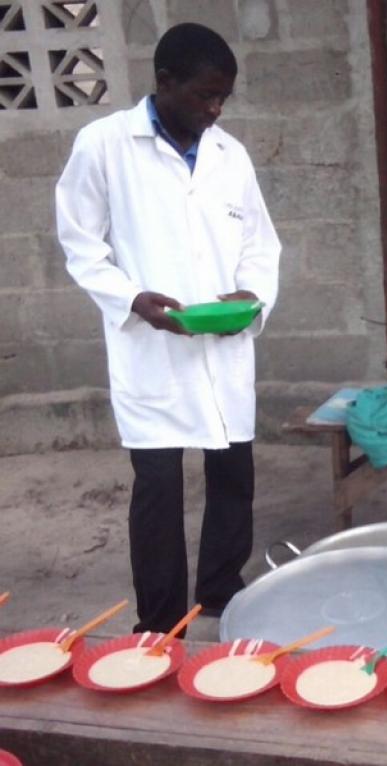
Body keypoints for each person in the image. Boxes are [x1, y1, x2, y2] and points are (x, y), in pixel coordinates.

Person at [55, 23, 281, 634]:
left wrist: (252, 296)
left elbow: (260, 244)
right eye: (206, 95)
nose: (215, 109)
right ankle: (159, 623)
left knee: (233, 473)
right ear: (165, 82)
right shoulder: (104, 145)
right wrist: (132, 299)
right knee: (157, 486)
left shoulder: (230, 156)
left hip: (222, 344)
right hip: (150, 347)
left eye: (223, 97)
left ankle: (221, 589)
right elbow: (80, 243)